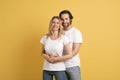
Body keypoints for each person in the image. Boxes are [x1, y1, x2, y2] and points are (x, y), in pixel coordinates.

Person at [40, 16, 72, 80]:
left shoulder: (64, 38)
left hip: (59, 69)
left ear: (60, 25)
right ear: (50, 24)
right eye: (53, 22)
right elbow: (42, 52)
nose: (55, 24)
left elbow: (70, 55)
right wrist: (46, 57)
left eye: (57, 23)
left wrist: (57, 59)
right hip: (47, 69)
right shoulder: (45, 37)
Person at [59, 10, 83, 80]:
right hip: (60, 66)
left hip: (73, 66)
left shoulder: (76, 32)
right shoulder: (59, 32)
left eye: (66, 19)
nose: (64, 21)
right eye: (62, 19)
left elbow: (75, 51)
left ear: (70, 19)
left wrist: (59, 59)